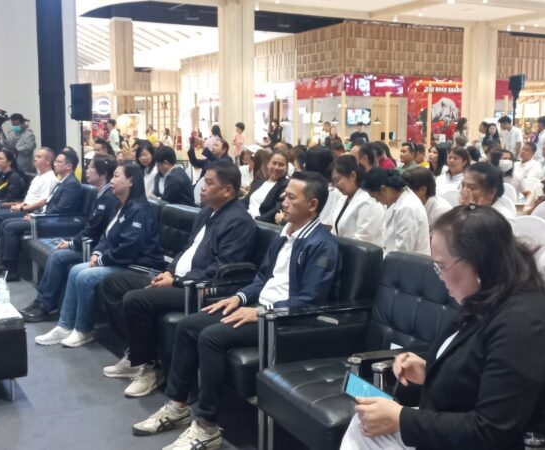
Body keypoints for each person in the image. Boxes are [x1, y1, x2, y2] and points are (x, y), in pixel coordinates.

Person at [133, 171, 340, 449]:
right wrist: (239, 297)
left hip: (283, 320)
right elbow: (262, 277)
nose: (284, 202)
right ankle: (178, 405)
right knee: (189, 325)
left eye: (291, 198)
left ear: (312, 205)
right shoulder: (285, 234)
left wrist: (261, 312)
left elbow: (310, 300)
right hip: (259, 308)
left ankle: (207, 426)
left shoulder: (322, 245)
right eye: (285, 196)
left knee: (211, 337)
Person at [341, 205, 545, 450]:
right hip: (456, 425)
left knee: (365, 433)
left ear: (478, 262)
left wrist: (400, 419)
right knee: (363, 425)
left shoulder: (524, 324)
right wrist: (430, 371)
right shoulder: (487, 297)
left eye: (441, 267)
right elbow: (479, 368)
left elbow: (491, 430)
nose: (440, 277)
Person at [97, 160, 257, 395]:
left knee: (136, 300)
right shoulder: (206, 212)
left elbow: (221, 269)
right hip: (176, 279)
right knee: (112, 284)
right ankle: (134, 353)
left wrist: (177, 281)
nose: (202, 187)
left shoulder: (239, 222)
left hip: (197, 288)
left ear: (228, 190)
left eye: (209, 183)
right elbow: (186, 249)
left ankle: (150, 367)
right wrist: (169, 271)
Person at [35, 162, 166, 348]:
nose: (112, 180)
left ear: (130, 181)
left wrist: (103, 259)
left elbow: (131, 246)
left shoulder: (141, 209)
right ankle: (65, 326)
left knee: (85, 277)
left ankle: (83, 330)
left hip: (138, 266)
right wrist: (97, 252)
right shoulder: (121, 206)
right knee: (75, 271)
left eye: (116, 176)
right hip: (120, 262)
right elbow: (106, 235)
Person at [20, 155, 119, 322]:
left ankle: (47, 306)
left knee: (58, 256)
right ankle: (41, 301)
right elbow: (90, 226)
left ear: (102, 174)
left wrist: (73, 243)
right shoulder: (100, 194)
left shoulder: (108, 197)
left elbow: (94, 229)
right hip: (90, 241)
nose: (87, 171)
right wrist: (72, 242)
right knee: (56, 253)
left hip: (95, 247)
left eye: (91, 167)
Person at [0, 149, 83, 281]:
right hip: (44, 217)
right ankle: (4, 266)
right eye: (55, 161)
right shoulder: (63, 181)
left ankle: (12, 270)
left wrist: (37, 217)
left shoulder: (72, 184)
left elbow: (60, 210)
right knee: (5, 223)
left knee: (10, 227)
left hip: (53, 222)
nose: (55, 163)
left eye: (59, 162)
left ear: (69, 166)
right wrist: (36, 214)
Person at [0, 147, 58, 266]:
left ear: (48, 161)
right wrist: (20, 204)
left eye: (39, 157)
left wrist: (22, 208)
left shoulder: (50, 178)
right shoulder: (39, 176)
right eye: (35, 156)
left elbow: (43, 202)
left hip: (31, 211)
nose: (35, 159)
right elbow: (31, 198)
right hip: (24, 206)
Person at [363, 168, 430, 255]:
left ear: (383, 189)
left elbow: (403, 251)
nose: (377, 201)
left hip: (410, 261)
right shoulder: (398, 199)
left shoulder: (407, 207)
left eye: (376, 197)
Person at [330, 155, 384, 245]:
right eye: (334, 182)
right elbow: (335, 230)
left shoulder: (368, 201)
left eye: (337, 180)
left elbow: (363, 238)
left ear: (353, 175)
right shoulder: (343, 199)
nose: (336, 185)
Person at [243, 148, 289, 223]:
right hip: (245, 218)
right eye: (274, 163)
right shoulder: (259, 181)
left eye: (281, 165)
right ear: (268, 164)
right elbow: (245, 201)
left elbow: (276, 210)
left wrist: (255, 220)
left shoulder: (286, 186)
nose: (276, 167)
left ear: (286, 168)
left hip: (260, 223)